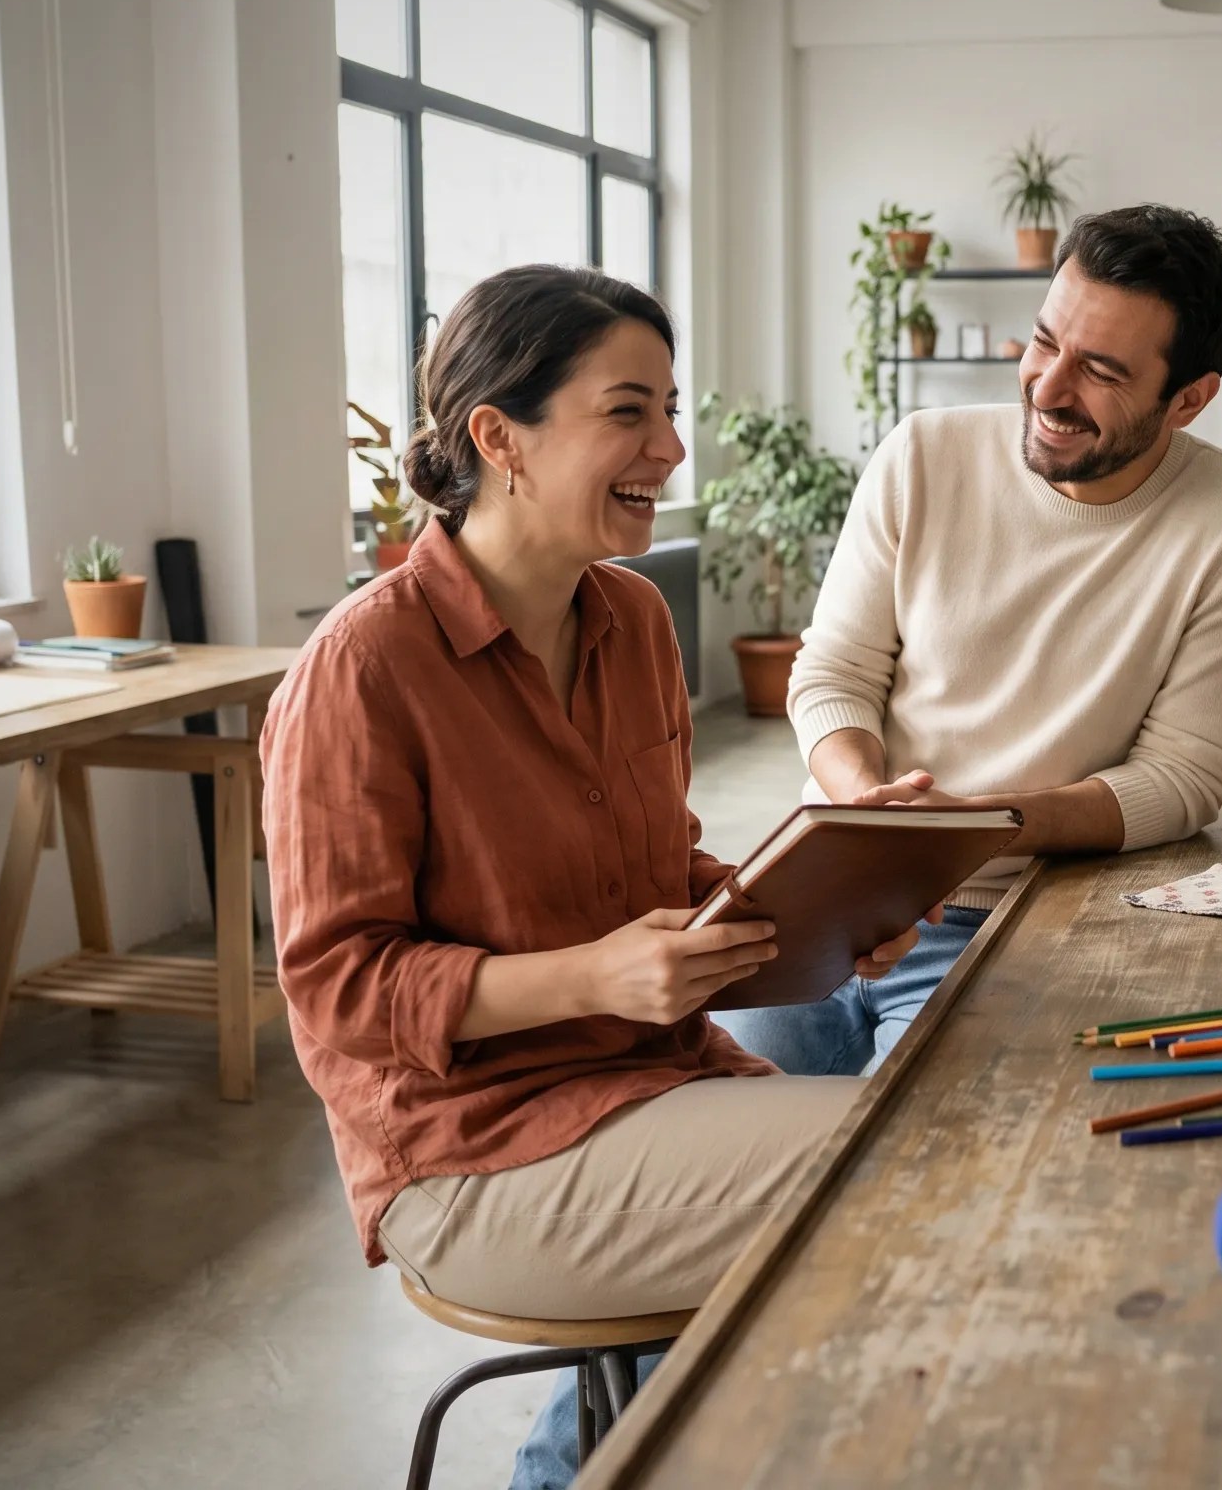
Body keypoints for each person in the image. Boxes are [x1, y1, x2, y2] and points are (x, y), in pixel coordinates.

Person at [259, 265, 920, 1490]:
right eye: (629, 411)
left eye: (670, 410)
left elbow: (662, 873)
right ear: (497, 437)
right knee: (915, 1171)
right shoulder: (363, 668)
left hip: (650, 1090)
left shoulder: (634, 621)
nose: (671, 447)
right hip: (469, 1155)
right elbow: (340, 991)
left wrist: (839, 906)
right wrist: (595, 977)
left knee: (918, 1141)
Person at [722, 204, 1222, 1076]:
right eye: (1043, 341)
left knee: (903, 1174)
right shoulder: (922, 454)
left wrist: (971, 829)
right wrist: (871, 817)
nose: (1048, 387)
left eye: (1099, 371)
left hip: (1003, 917)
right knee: (735, 1154)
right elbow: (833, 673)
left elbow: (1181, 779)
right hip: (824, 896)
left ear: (1189, 398)